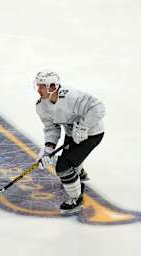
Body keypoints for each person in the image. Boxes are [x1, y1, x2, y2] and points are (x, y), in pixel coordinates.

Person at [35, 70, 105, 215]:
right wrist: (48, 148)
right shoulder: (42, 106)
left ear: (52, 86)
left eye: (41, 86)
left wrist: (84, 126)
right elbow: (51, 128)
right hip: (72, 133)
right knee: (69, 162)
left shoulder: (71, 97)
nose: (38, 89)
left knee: (63, 166)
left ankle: (76, 198)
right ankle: (78, 174)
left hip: (92, 133)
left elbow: (98, 107)